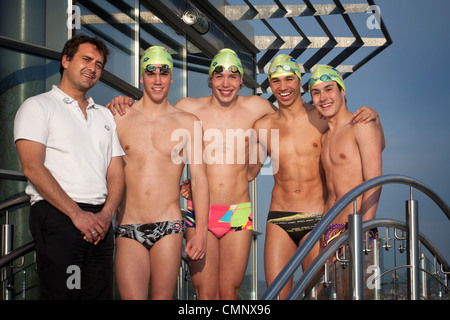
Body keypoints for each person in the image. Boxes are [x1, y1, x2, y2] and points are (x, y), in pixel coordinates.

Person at [107, 48, 276, 300]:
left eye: (233, 76)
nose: (226, 83)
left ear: (242, 80)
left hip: (237, 210)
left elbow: (286, 122)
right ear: (210, 79)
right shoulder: (188, 108)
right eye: (219, 76)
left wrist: (253, 166)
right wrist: (122, 102)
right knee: (205, 294)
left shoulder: (257, 107)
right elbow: (157, 125)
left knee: (229, 293)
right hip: (199, 212)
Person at [248, 54, 384, 299]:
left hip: (317, 218)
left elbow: (375, 148)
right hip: (280, 216)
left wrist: (376, 116)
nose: (283, 86)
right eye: (276, 80)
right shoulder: (263, 126)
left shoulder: (320, 118)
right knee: (277, 293)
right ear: (269, 84)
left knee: (320, 293)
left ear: (299, 82)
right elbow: (249, 170)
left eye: (289, 79)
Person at [13, 35, 125, 300]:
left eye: (98, 64)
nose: (93, 68)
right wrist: (77, 215)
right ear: (65, 60)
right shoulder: (38, 106)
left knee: (99, 295)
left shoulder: (104, 115)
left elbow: (116, 172)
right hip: (60, 218)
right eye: (86, 59)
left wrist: (106, 215)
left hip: (100, 222)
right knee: (65, 295)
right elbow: (32, 166)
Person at [112, 46, 209, 300]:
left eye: (164, 72)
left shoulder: (188, 122)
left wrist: (200, 233)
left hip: (169, 226)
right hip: (128, 225)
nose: (157, 79)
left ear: (171, 77)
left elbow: (199, 179)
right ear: (142, 76)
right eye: (151, 71)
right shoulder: (117, 117)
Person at [308, 65, 382, 250]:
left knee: (356, 280)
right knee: (326, 281)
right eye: (316, 92)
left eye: (329, 89)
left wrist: (364, 226)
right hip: (327, 228)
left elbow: (375, 180)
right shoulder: (325, 137)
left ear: (342, 91)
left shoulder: (361, 126)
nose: (323, 97)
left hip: (356, 226)